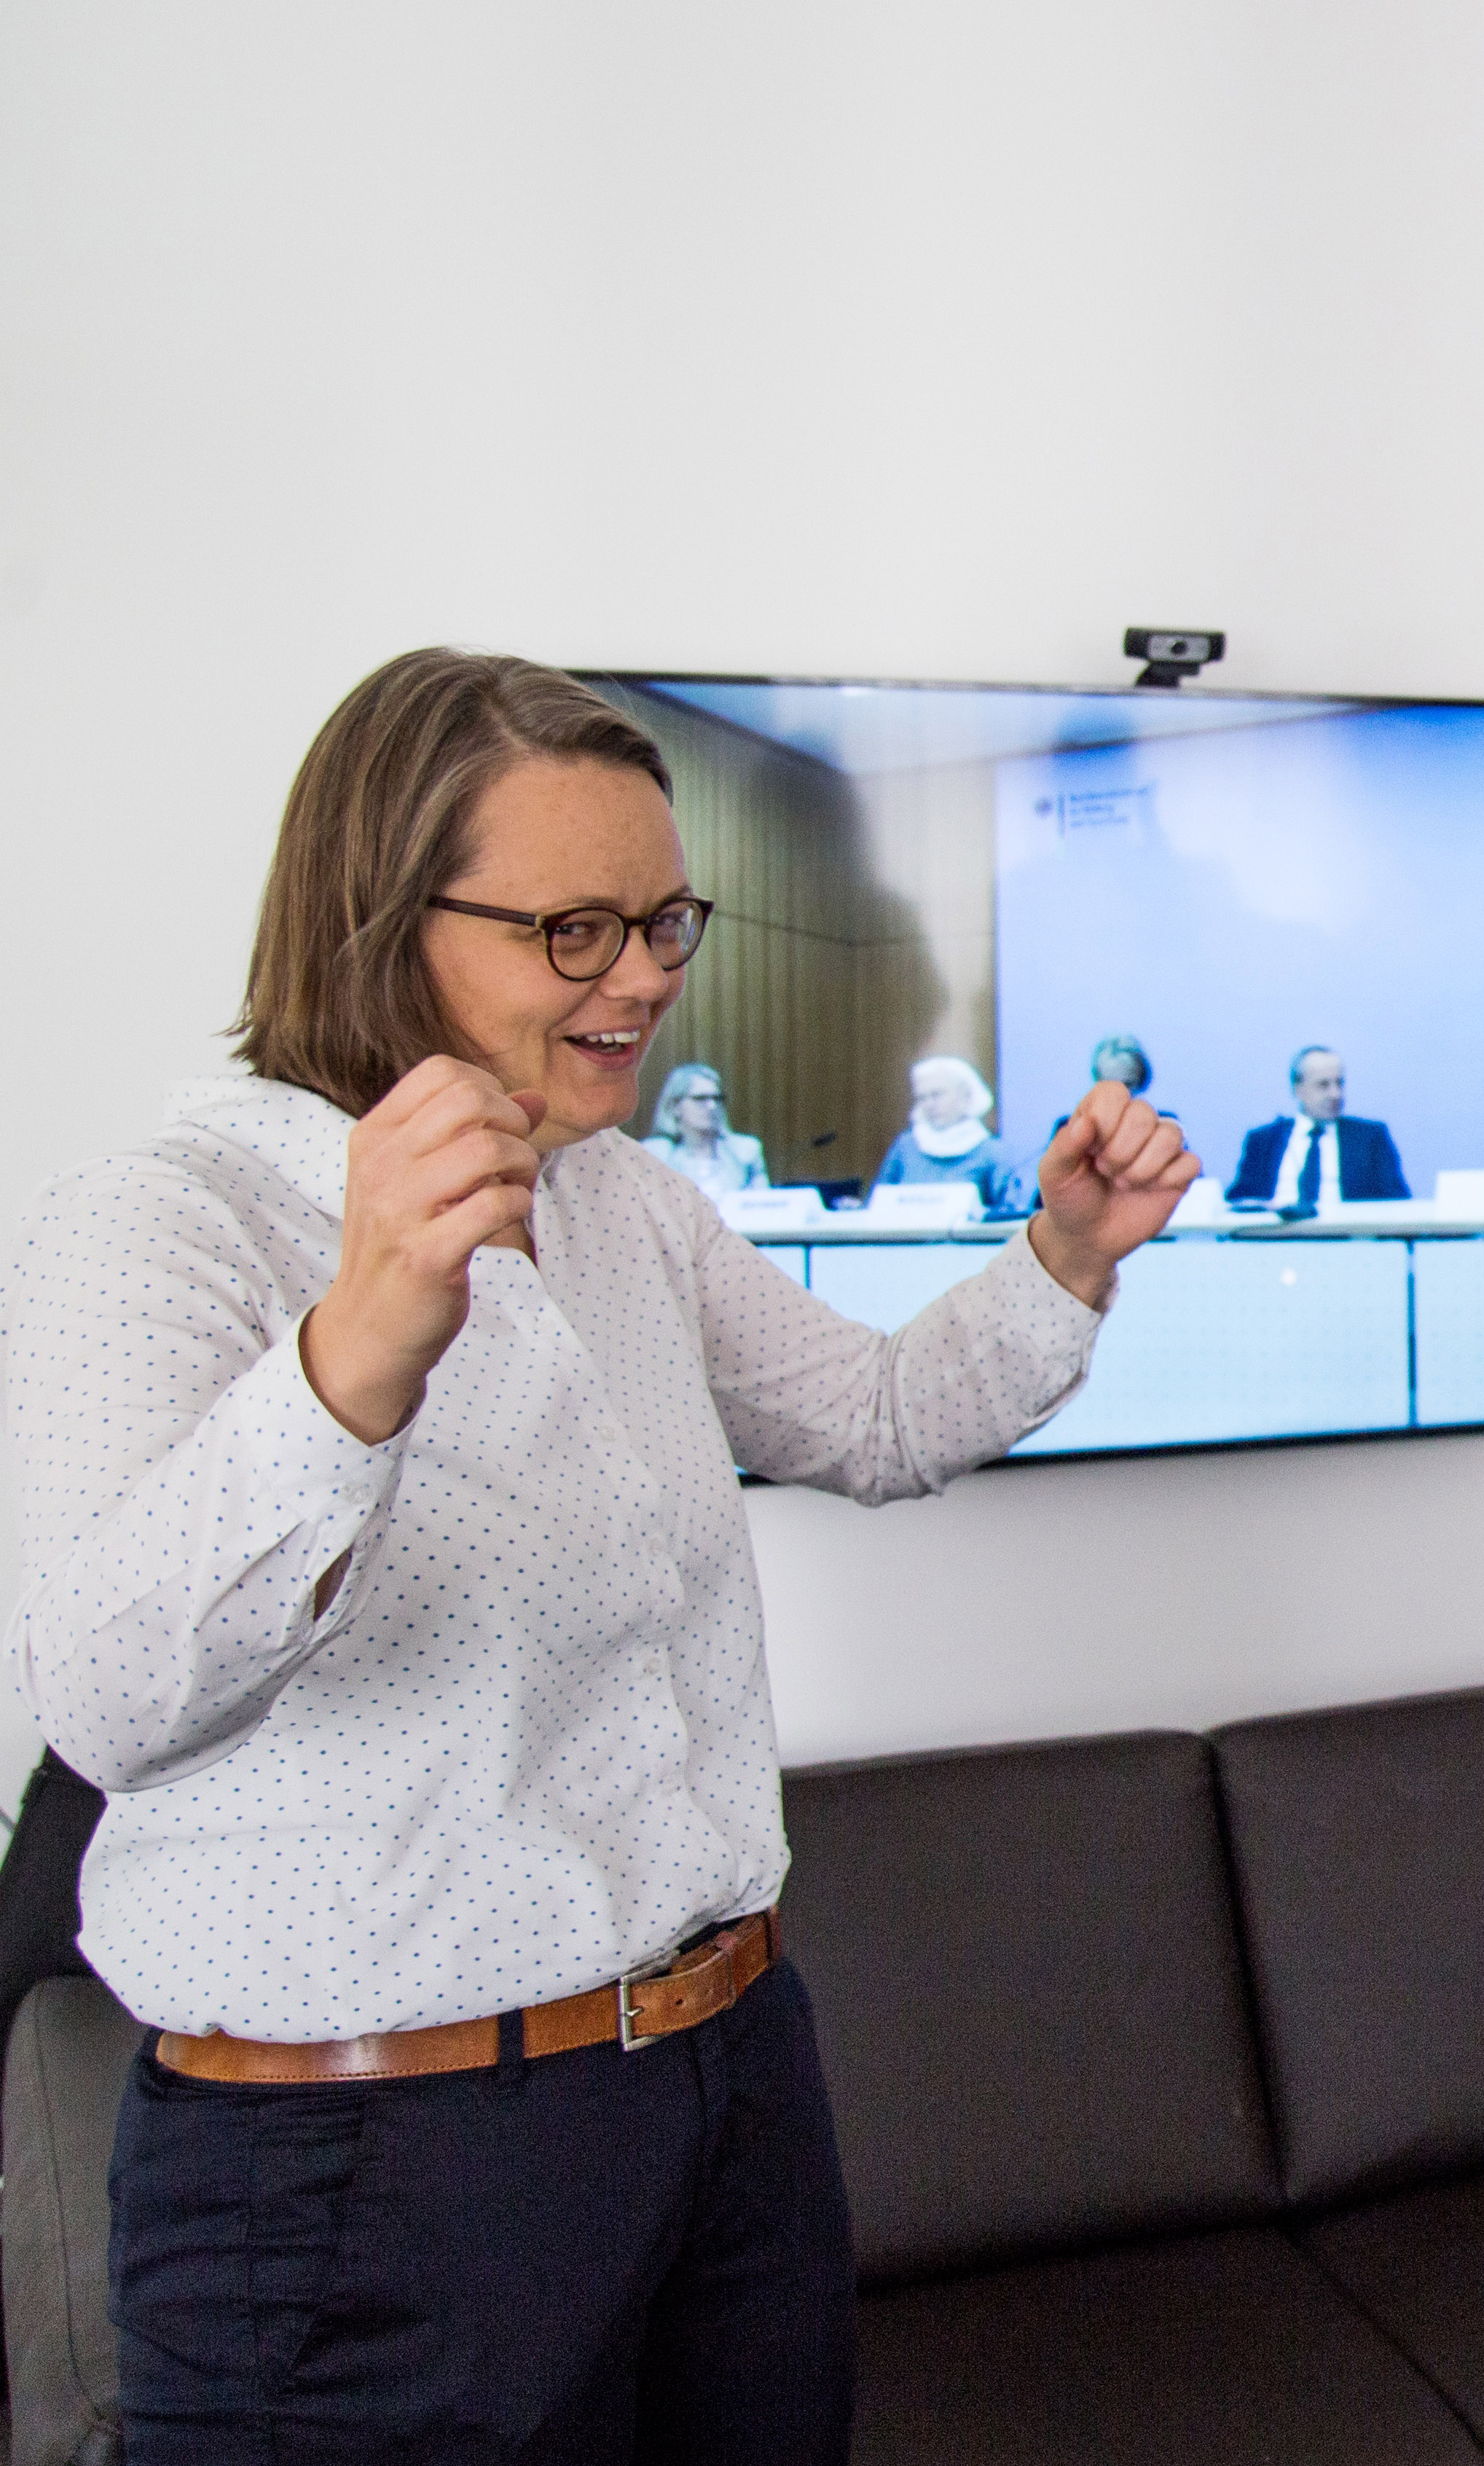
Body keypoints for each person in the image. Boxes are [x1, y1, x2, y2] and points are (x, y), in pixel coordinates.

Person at [4, 647, 1196, 2462]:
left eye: (664, 922)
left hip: (727, 2089)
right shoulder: (167, 1225)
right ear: (380, 922)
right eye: (575, 929)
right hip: (368, 2171)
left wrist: (1068, 1256)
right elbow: (104, 1699)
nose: (641, 977)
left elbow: (872, 1419)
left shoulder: (628, 1203)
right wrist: (354, 1356)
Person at [1233, 1045, 1410, 1210]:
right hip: (1275, 1232)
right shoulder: (1264, 1141)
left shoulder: (1369, 1138)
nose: (1335, 1094)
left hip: (1345, 1232)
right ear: (1298, 1089)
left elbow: (1398, 1202)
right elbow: (1240, 1200)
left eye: (1339, 1083)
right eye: (1323, 1085)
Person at [873, 1052, 1029, 1216]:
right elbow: (878, 1205)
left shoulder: (992, 1152)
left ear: (965, 1097)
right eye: (922, 1098)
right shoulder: (906, 1147)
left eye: (937, 1095)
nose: (929, 1105)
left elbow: (1010, 1213)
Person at [643, 1059, 769, 1199]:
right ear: (675, 1106)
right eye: (701, 1099)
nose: (712, 1106)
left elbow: (762, 1205)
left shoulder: (745, 1151)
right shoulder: (658, 1154)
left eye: (717, 1098)